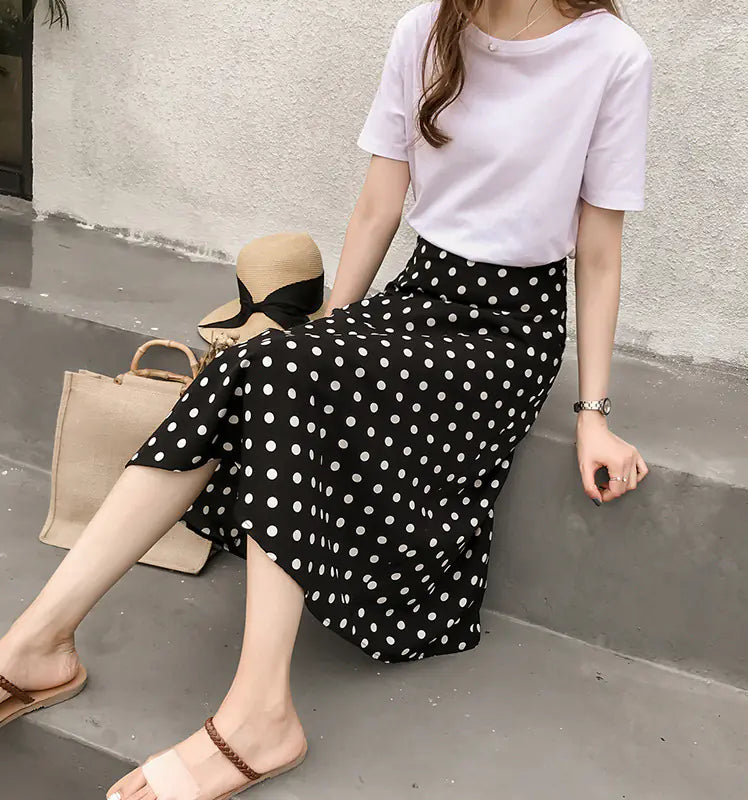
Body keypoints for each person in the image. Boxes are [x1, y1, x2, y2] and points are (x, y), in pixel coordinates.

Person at [0, 1, 653, 797]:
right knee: (268, 364)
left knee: (281, 370)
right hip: (418, 293)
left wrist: (593, 415)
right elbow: (379, 205)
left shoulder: (611, 55)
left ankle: (258, 714)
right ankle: (36, 644)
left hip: (508, 334)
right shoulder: (426, 30)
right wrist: (331, 331)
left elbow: (599, 251)